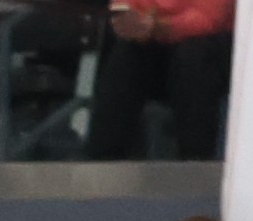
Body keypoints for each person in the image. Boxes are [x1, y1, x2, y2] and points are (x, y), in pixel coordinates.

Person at [85, 0, 235, 164]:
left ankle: (196, 162)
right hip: (155, 43)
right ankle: (102, 162)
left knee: (192, 57)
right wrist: (129, 22)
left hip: (211, 49)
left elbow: (209, 19)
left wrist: (157, 26)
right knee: (127, 55)